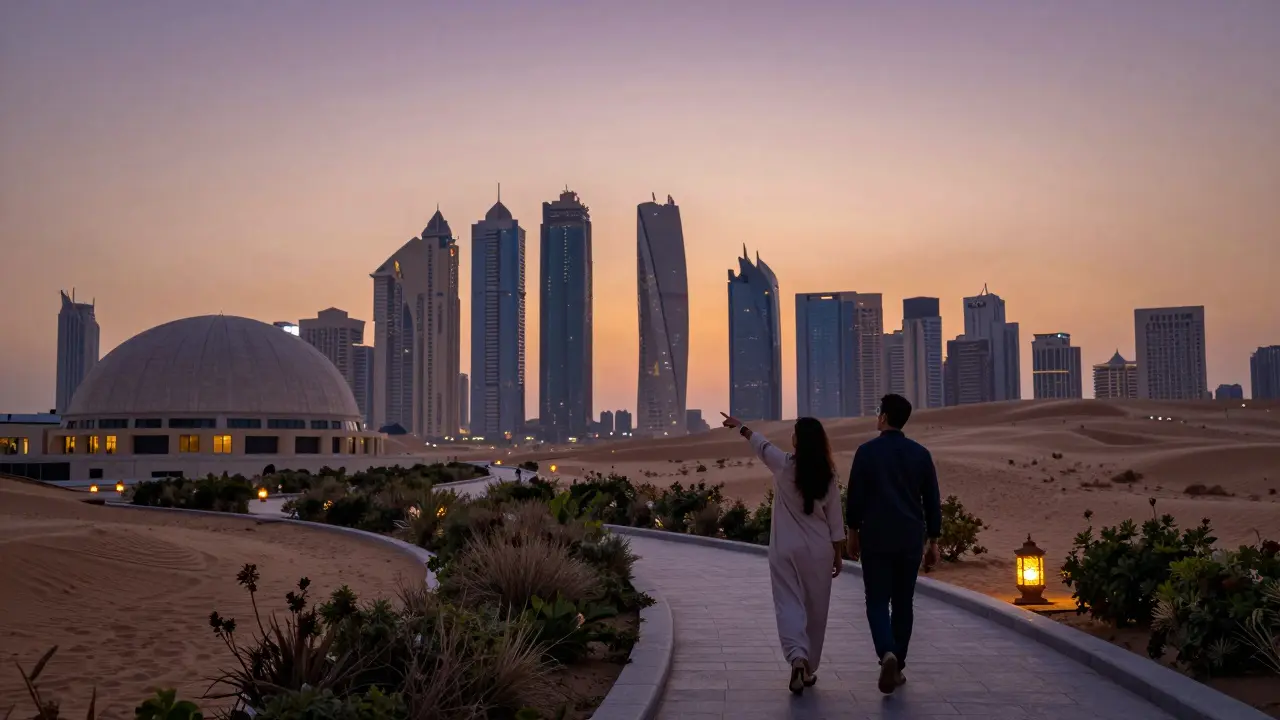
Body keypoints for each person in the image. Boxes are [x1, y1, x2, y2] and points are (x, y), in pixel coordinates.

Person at [720, 412, 845, 695]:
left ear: (798, 441)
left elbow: (761, 445)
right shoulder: (828, 475)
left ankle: (797, 658)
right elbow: (835, 519)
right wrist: (838, 555)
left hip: (785, 549)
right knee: (815, 610)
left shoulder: (785, 465)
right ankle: (808, 665)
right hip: (819, 551)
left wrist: (741, 427)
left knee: (788, 604)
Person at [845, 393, 942, 695]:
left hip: (876, 537)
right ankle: (897, 664)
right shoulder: (920, 454)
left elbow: (855, 497)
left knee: (876, 600)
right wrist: (934, 541)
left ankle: (886, 652)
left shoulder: (866, 452)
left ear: (884, 417)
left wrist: (852, 532)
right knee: (903, 603)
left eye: (878, 412)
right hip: (910, 538)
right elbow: (932, 502)